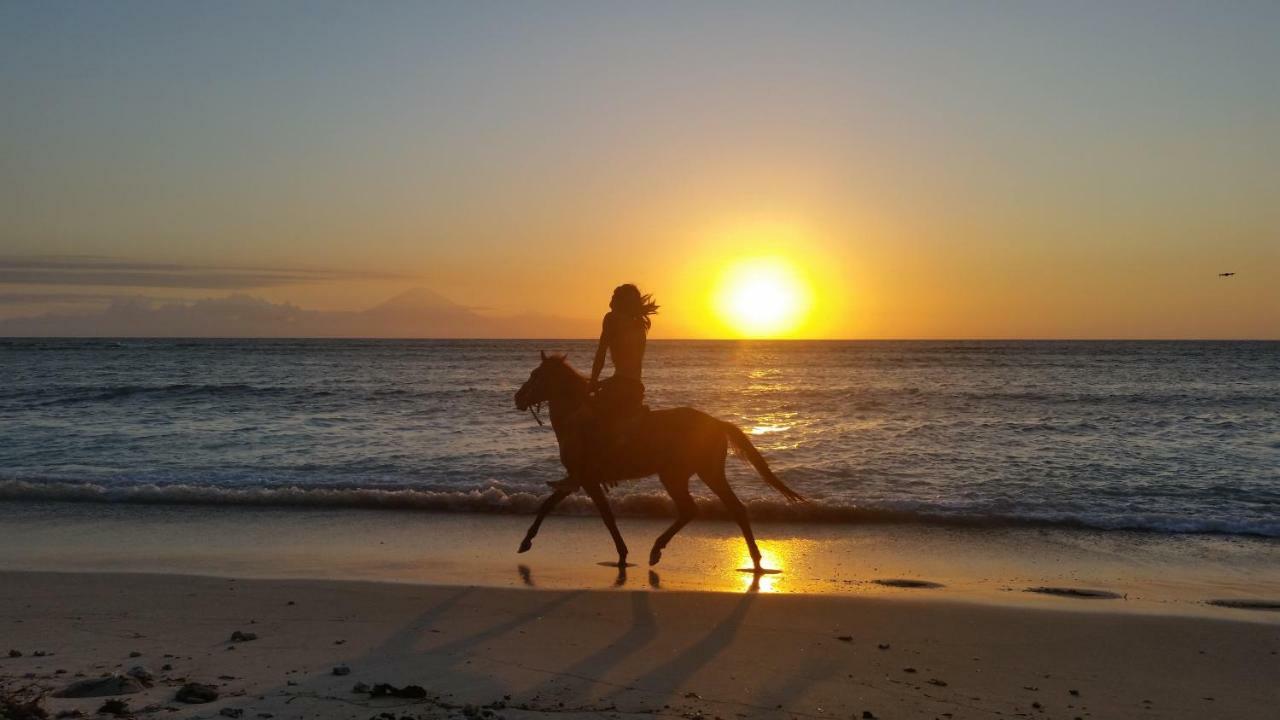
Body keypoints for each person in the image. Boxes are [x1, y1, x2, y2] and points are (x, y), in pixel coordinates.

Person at [548, 284, 658, 491]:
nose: (611, 298)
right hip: (635, 388)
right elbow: (630, 368)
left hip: (620, 386)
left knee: (576, 420)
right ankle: (604, 467)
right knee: (603, 424)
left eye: (615, 295)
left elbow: (600, 354)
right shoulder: (639, 324)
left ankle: (577, 476)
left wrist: (592, 383)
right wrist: (604, 383)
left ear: (621, 301)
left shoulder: (612, 319)